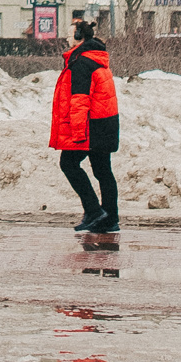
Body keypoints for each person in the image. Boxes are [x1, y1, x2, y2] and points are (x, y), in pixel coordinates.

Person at [49, 19, 120, 233]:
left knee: (68, 164)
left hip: (90, 126)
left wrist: (78, 134)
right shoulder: (97, 58)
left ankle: (94, 211)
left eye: (70, 34)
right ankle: (110, 218)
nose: (67, 37)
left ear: (80, 37)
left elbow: (80, 100)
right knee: (103, 170)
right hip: (105, 123)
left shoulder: (81, 62)